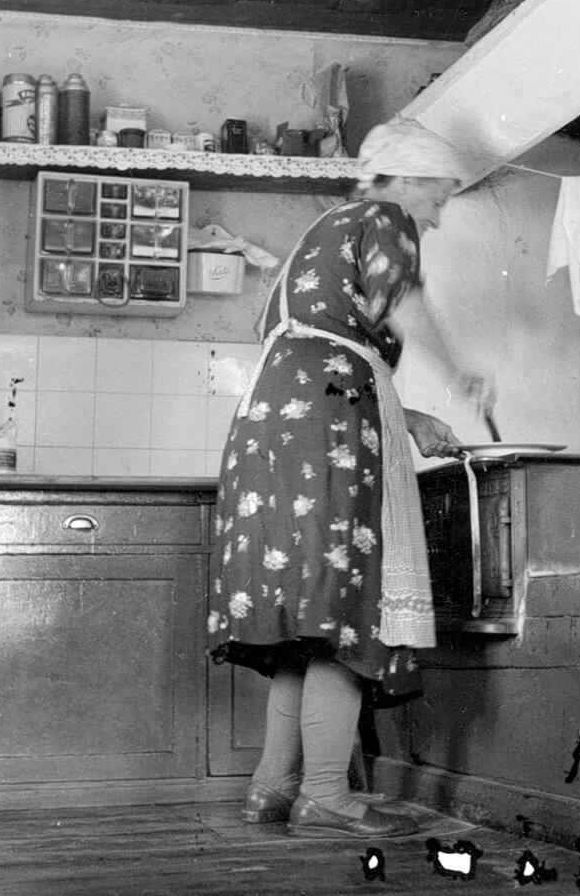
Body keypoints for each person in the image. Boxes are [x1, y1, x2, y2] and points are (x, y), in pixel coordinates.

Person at [207, 117, 493, 840]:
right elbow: (401, 306)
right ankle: (328, 794)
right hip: (330, 428)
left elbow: (323, 349)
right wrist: (461, 373)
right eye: (440, 196)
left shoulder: (320, 235)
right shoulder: (386, 215)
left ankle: (272, 788)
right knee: (346, 610)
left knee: (307, 617)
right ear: (410, 178)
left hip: (275, 426)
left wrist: (408, 415)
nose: (437, 214)